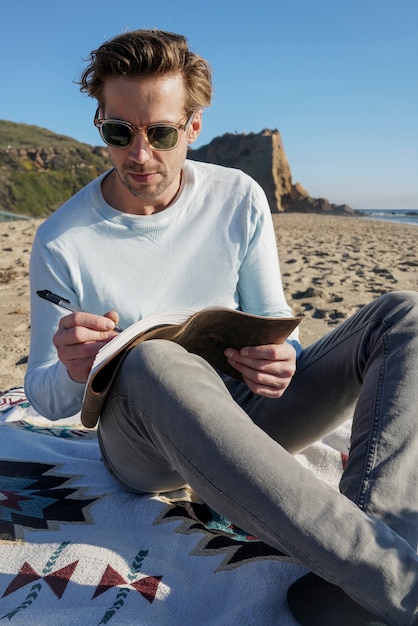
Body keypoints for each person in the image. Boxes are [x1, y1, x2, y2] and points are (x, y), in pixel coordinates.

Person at [24, 29, 418, 626]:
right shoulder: (62, 238)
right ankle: (400, 585)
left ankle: (356, 587)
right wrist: (75, 369)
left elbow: (274, 323)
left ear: (193, 127)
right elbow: (41, 396)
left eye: (159, 133)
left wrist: (282, 356)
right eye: (117, 132)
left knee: (404, 314)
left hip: (245, 416)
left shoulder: (237, 197)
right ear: (100, 122)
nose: (139, 154)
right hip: (143, 445)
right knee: (154, 359)